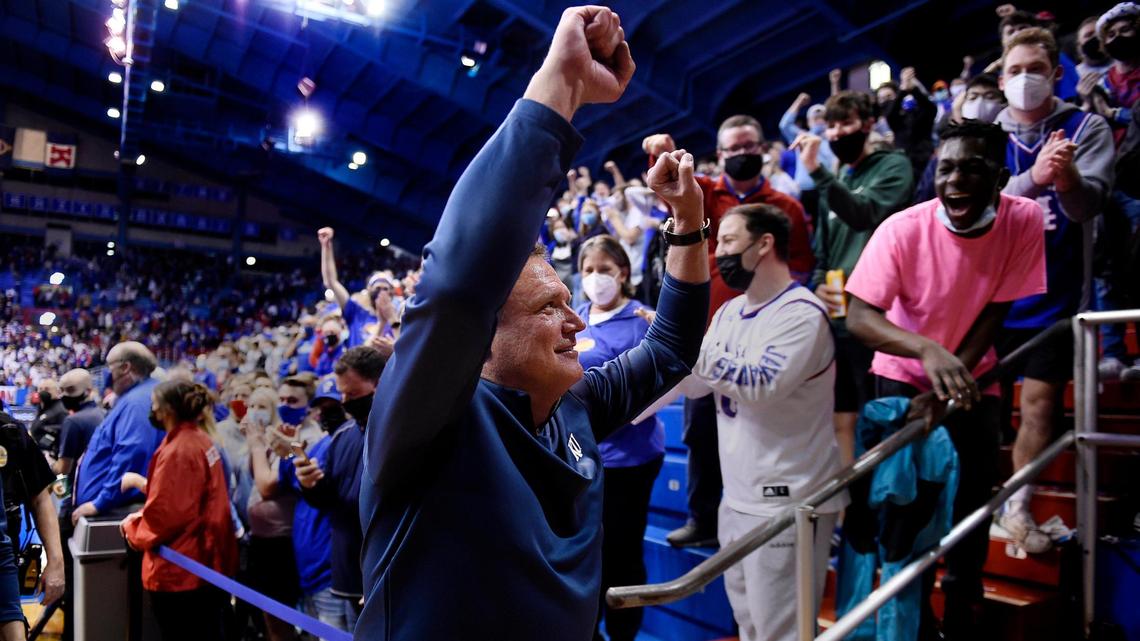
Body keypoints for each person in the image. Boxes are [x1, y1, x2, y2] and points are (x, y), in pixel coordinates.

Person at [357, 8, 710, 639]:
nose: (577, 317)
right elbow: (459, 282)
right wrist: (560, 87)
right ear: (478, 339)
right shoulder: (429, 420)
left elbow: (672, 348)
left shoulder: (571, 406)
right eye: (550, 308)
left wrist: (687, 220)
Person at [845, 121, 1048, 638]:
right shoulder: (902, 228)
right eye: (946, 167)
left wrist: (950, 381)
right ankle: (914, 618)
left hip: (972, 374)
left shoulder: (1024, 218)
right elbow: (860, 317)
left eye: (972, 168)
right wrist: (927, 352)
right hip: (902, 374)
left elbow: (996, 310)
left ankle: (962, 611)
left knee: (973, 504)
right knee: (907, 508)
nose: (955, 179)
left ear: (1001, 178)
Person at [642, 112, 813, 548]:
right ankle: (703, 519)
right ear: (720, 155)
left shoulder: (786, 207)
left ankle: (768, 519)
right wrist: (661, 150)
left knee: (761, 428)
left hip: (763, 340)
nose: (741, 154)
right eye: (732, 148)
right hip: (708, 337)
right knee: (700, 432)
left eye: (748, 146)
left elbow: (801, 270)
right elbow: (670, 184)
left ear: (762, 149)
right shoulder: (703, 194)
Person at [680, 203, 847, 641]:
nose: (720, 254)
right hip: (736, 494)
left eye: (730, 242)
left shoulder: (801, 313)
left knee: (783, 631)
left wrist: (683, 343)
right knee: (749, 621)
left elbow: (759, 384)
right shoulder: (730, 312)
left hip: (788, 499)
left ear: (764, 244)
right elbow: (696, 380)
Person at [994, 27, 1115, 554]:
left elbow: (1089, 208)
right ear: (1000, 79)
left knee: (1041, 403)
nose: (1025, 79)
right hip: (992, 296)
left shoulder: (1086, 126)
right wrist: (1033, 180)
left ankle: (1016, 506)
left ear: (1057, 74)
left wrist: (1065, 182)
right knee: (984, 414)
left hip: (1059, 293)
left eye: (1035, 69)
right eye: (1015, 70)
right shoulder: (982, 133)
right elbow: (969, 210)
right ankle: (985, 500)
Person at [792, 91, 915, 467]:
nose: (836, 133)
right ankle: (852, 511)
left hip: (881, 319)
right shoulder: (839, 179)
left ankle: (886, 504)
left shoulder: (894, 167)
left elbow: (865, 214)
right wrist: (817, 286)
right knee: (842, 418)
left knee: (880, 417)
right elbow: (823, 254)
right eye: (830, 126)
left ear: (867, 124)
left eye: (845, 123)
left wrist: (818, 173)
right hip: (840, 322)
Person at [572, 235, 662, 641]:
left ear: (623, 273)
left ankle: (624, 632)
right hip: (578, 459)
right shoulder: (574, 317)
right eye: (588, 270)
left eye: (604, 270)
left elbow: (657, 382)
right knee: (583, 557)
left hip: (629, 460)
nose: (595, 278)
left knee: (623, 554)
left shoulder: (643, 320)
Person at [120, 380, 238, 641]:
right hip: (205, 561)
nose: (152, 410)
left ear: (168, 410)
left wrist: (133, 528)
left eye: (154, 405)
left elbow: (166, 515)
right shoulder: (200, 439)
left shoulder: (179, 450)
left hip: (182, 571)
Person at [294, 347, 386, 629]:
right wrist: (310, 484)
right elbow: (329, 501)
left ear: (381, 383)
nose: (345, 403)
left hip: (382, 577)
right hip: (346, 573)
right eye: (342, 395)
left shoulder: (397, 434)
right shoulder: (343, 437)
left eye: (353, 395)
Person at [242, 386, 320, 641]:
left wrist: (256, 446)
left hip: (284, 542)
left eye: (262, 407)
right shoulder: (267, 439)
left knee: (283, 619)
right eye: (252, 406)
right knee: (268, 618)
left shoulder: (295, 438)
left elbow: (267, 486)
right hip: (262, 540)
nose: (255, 412)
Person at [72, 341, 165, 524]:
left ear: (125, 367)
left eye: (110, 366)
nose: (107, 373)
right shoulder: (138, 395)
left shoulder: (137, 402)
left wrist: (100, 502)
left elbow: (133, 452)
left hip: (116, 511)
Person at [318, 227, 399, 354]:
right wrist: (326, 247)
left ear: (392, 293)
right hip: (355, 370)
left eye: (385, 289)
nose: (381, 292)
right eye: (377, 288)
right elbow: (330, 281)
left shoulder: (396, 320)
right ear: (369, 289)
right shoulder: (356, 312)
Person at [780, 92, 838, 223]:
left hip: (826, 187)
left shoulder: (833, 137)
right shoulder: (801, 136)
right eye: (815, 118)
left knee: (828, 222)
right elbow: (785, 125)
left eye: (822, 117)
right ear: (808, 121)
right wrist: (799, 102)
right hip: (805, 189)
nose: (819, 121)